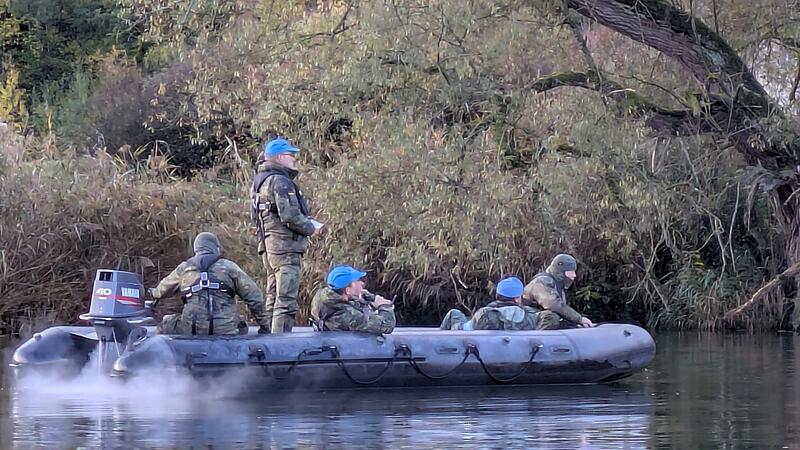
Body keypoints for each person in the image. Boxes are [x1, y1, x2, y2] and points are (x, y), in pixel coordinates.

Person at [252, 137, 319, 333]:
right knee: (286, 301)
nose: (294, 159)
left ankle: (268, 339)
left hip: (268, 247)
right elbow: (289, 215)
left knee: (272, 297)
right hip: (285, 248)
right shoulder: (280, 181)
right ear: (280, 157)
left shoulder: (260, 182)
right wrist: (310, 228)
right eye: (291, 155)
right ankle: (280, 346)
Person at [150, 232, 271, 335]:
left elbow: (162, 290)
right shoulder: (230, 267)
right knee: (242, 326)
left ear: (196, 249)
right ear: (215, 248)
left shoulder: (184, 268)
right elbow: (254, 298)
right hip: (225, 330)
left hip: (192, 330)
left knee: (166, 323)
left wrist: (154, 294)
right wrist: (265, 326)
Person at [310, 265, 396, 334]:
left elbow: (345, 301)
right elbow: (387, 326)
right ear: (347, 290)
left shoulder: (324, 295)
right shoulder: (346, 315)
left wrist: (363, 298)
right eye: (357, 281)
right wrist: (385, 306)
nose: (362, 283)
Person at [440, 276, 538, 331]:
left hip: (467, 330)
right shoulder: (530, 316)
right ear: (517, 299)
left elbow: (466, 329)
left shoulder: (484, 313)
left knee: (454, 313)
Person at [523, 253, 594, 330]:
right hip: (528, 320)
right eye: (570, 272)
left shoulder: (556, 284)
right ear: (561, 272)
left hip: (537, 318)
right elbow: (553, 304)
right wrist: (579, 319)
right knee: (552, 318)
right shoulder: (541, 282)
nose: (574, 275)